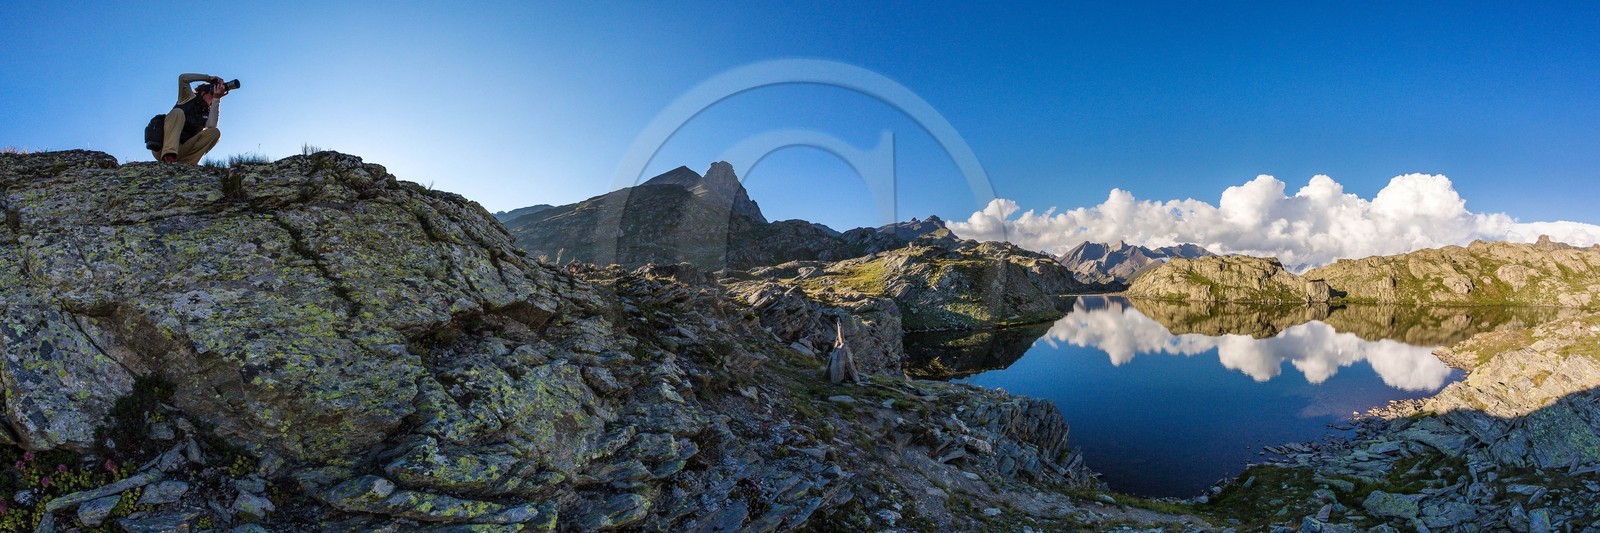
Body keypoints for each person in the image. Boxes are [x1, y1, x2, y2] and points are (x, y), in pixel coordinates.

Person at [153, 73, 229, 164]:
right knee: (178, 112)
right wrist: (209, 78)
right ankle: (168, 155)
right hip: (162, 148)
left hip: (182, 150)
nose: (212, 98)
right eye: (212, 94)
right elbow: (183, 78)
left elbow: (212, 126)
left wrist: (217, 99)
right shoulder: (188, 98)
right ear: (203, 93)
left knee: (215, 132)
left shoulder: (207, 113)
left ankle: (187, 164)